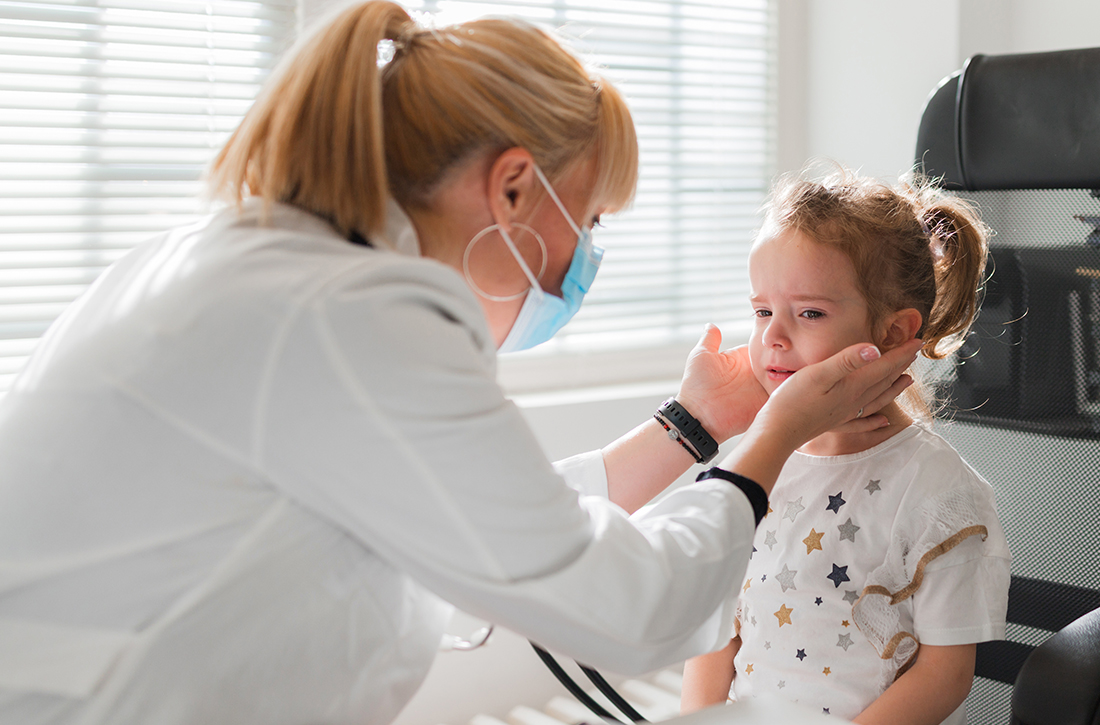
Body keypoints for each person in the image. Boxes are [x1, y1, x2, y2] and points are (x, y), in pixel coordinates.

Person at [0, 5, 919, 725]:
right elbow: (621, 601)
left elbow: (473, 506)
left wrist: (693, 426)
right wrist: (773, 435)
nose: (587, 255)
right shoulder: (352, 319)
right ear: (514, 186)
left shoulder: (264, 272)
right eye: (589, 220)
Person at [679, 166, 1011, 725]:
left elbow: (945, 676)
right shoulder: (758, 465)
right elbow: (717, 632)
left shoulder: (939, 490)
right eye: (763, 311)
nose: (773, 337)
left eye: (809, 313)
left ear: (892, 335)